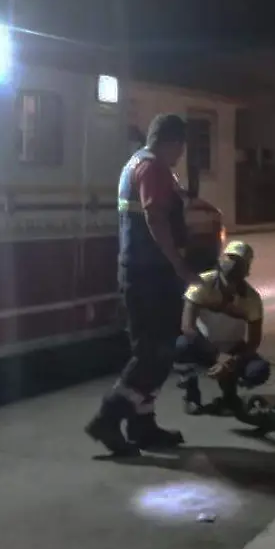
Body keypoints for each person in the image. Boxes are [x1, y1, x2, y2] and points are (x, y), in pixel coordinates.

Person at [86, 113, 198, 455]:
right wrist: (179, 265)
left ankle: (142, 424)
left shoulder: (135, 163)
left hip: (142, 272)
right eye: (180, 147)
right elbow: (155, 216)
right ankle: (107, 418)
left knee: (157, 354)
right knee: (152, 353)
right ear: (172, 142)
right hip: (150, 276)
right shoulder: (153, 168)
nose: (180, 154)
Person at [174, 240, 271, 415]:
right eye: (230, 258)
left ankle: (229, 396)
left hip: (233, 348)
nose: (232, 265)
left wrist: (231, 362)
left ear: (247, 270)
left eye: (239, 262)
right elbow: (187, 327)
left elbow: (253, 341)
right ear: (220, 259)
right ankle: (191, 393)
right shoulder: (201, 283)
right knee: (182, 346)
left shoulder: (251, 298)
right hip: (204, 346)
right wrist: (217, 356)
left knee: (259, 370)